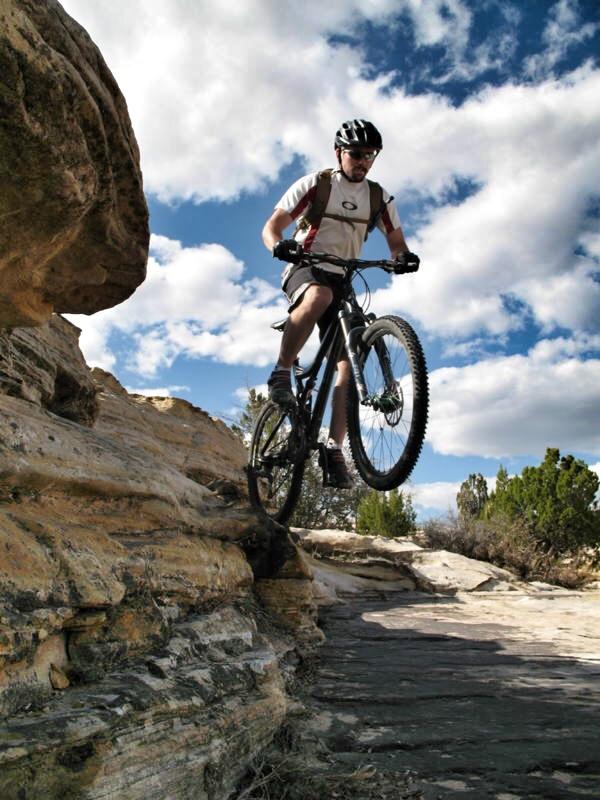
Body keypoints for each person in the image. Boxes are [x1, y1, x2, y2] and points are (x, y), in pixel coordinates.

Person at [262, 119, 419, 489]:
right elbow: (273, 226)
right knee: (319, 295)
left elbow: (396, 239)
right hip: (305, 267)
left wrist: (402, 256)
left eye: (370, 155)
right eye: (356, 154)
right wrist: (278, 245)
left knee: (350, 363)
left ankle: (334, 448)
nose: (363, 161)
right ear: (339, 153)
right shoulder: (317, 185)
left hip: (344, 278)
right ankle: (282, 370)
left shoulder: (379, 198)